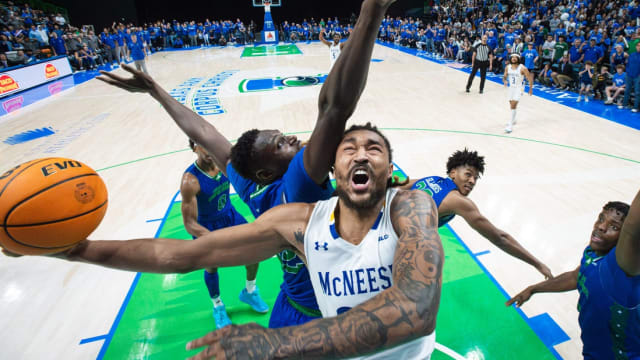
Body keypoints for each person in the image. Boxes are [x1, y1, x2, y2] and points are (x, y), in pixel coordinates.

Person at [13, 124, 441, 359]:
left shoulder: (411, 207)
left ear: (389, 170)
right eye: (348, 148)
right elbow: (182, 254)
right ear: (333, 166)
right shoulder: (296, 221)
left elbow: (416, 309)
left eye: (374, 148)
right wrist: (75, 249)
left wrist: (279, 342)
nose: (360, 153)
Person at [96, 0, 396, 329]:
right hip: (324, 319)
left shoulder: (252, 186)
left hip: (290, 306)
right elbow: (334, 107)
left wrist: (156, 90)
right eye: (281, 144)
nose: (292, 140)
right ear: (268, 172)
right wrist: (372, 12)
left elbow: (205, 132)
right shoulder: (298, 184)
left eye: (284, 136)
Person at [506, 191, 639, 359]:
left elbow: (634, 227)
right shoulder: (592, 253)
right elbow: (575, 277)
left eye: (614, 227)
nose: (601, 227)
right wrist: (534, 288)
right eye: (601, 218)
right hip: (593, 352)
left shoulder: (622, 266)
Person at [403, 149, 552, 279]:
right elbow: (500, 238)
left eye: (475, 178)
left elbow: (394, 184)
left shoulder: (431, 179)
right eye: (468, 174)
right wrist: (537, 263)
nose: (472, 181)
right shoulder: (459, 201)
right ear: (453, 172)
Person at [181, 140, 268, 329]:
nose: (208, 147)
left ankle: (250, 291)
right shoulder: (190, 181)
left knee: (255, 250)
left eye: (209, 143)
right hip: (205, 225)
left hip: (230, 216)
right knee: (212, 266)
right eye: (202, 144)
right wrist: (213, 239)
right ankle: (218, 306)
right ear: (194, 148)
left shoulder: (224, 165)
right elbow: (189, 223)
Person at [503, 53, 533, 133]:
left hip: (519, 88)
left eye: (515, 57)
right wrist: (505, 80)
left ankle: (510, 125)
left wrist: (530, 89)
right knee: (511, 105)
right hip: (511, 88)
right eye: (512, 57)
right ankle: (514, 119)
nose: (513, 58)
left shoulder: (522, 68)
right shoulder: (507, 67)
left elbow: (529, 78)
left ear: (518, 59)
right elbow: (505, 76)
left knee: (513, 105)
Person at [620, 42, 640, 113]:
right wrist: (627, 72)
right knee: (627, 90)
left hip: (637, 76)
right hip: (629, 75)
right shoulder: (632, 55)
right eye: (638, 46)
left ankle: (636, 107)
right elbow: (627, 64)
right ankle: (624, 104)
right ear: (636, 47)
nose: (638, 47)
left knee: (637, 92)